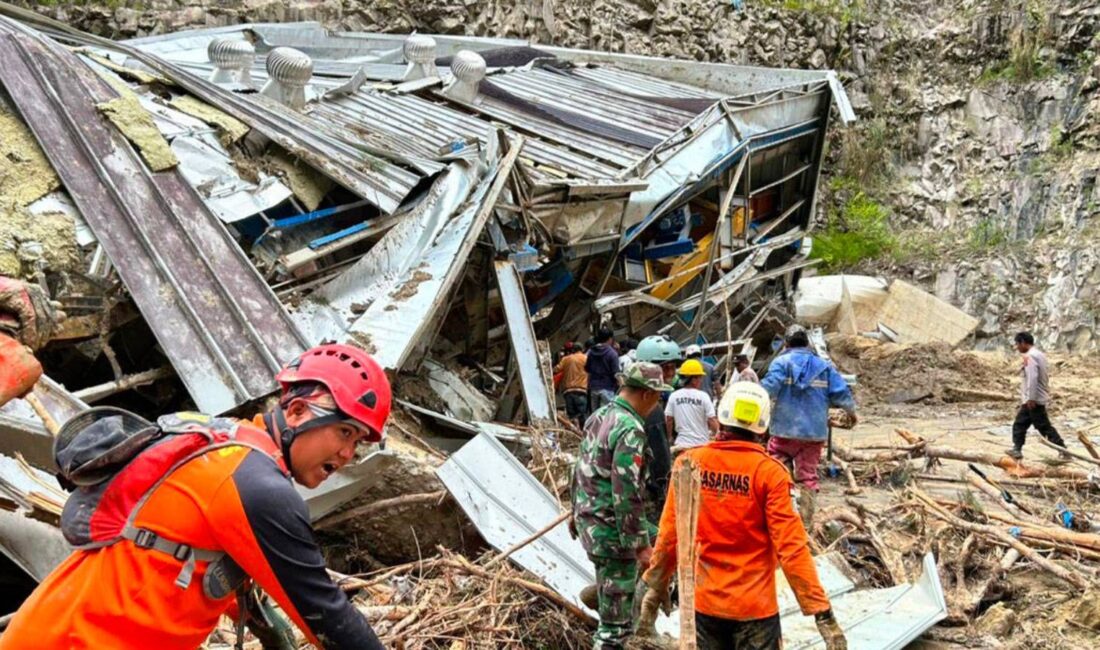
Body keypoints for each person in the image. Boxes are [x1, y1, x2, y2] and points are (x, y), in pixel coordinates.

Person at [1, 344, 391, 650]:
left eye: (357, 442)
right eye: (344, 432)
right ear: (299, 411)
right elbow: (325, 613)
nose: (347, 455)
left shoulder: (227, 446)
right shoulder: (256, 485)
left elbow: (236, 579)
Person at [637, 382, 848, 650]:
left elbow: (670, 535)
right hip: (755, 611)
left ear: (722, 416)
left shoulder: (689, 463)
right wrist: (822, 613)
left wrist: (655, 587)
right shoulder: (769, 474)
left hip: (704, 607)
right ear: (763, 425)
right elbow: (792, 548)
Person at [570, 362, 673, 650]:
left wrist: (573, 513)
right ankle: (625, 602)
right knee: (615, 631)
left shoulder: (598, 417)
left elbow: (578, 470)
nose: (656, 405)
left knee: (665, 537)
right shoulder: (630, 429)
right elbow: (626, 491)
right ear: (646, 395)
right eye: (658, 398)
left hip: (591, 522)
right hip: (613, 532)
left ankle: (628, 597)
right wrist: (639, 545)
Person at [761, 329, 856, 523]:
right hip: (813, 433)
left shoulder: (781, 363)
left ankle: (780, 516)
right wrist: (852, 413)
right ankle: (806, 522)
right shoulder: (824, 366)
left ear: (787, 344)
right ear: (807, 344)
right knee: (807, 477)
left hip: (784, 431)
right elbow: (842, 394)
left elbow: (767, 389)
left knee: (778, 470)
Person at [634, 334, 683, 524]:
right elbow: (660, 460)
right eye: (667, 368)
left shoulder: (626, 400)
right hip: (647, 494)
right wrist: (664, 486)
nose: (672, 373)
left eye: (673, 367)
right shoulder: (652, 411)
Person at [1007, 331, 1067, 459]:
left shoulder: (1030, 356)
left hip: (1033, 399)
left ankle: (1063, 450)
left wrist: (1031, 398)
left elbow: (1032, 378)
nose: (1017, 347)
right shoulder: (1040, 354)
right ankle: (1017, 449)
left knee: (1043, 427)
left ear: (1023, 342)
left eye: (1017, 344)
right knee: (1020, 424)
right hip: (1036, 397)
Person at [666, 359, 719, 452]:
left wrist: (668, 439)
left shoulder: (674, 396)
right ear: (693, 379)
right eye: (700, 377)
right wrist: (718, 436)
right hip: (701, 447)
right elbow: (712, 420)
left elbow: (668, 420)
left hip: (681, 446)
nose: (701, 381)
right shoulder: (703, 396)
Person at [556, 341, 590, 428]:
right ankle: (584, 434)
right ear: (582, 349)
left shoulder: (566, 359)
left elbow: (556, 369)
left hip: (568, 391)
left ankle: (575, 434)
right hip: (581, 390)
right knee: (583, 415)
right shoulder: (586, 359)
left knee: (572, 416)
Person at [586, 327, 621, 411]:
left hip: (594, 388)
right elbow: (615, 373)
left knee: (596, 416)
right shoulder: (612, 353)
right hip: (607, 388)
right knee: (607, 416)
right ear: (610, 339)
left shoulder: (591, 352)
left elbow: (587, 368)